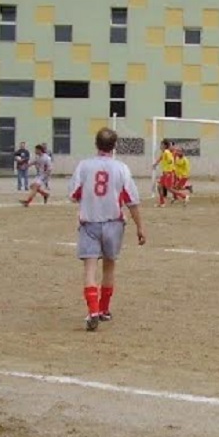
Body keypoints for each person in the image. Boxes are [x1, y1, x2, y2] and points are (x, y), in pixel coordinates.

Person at [69, 128, 146, 332]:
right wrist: (140, 227)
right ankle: (104, 309)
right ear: (114, 146)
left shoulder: (84, 166)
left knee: (90, 269)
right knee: (109, 266)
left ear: (96, 144)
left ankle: (93, 310)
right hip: (114, 222)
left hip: (90, 222)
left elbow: (74, 194)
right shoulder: (121, 168)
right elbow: (132, 200)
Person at [152, 138, 175, 208]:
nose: (160, 146)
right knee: (160, 187)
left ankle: (184, 196)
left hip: (167, 173)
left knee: (169, 188)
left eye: (161, 144)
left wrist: (168, 170)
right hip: (165, 173)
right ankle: (162, 203)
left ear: (165, 145)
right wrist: (155, 164)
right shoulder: (164, 152)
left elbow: (171, 161)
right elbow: (161, 158)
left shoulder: (167, 152)